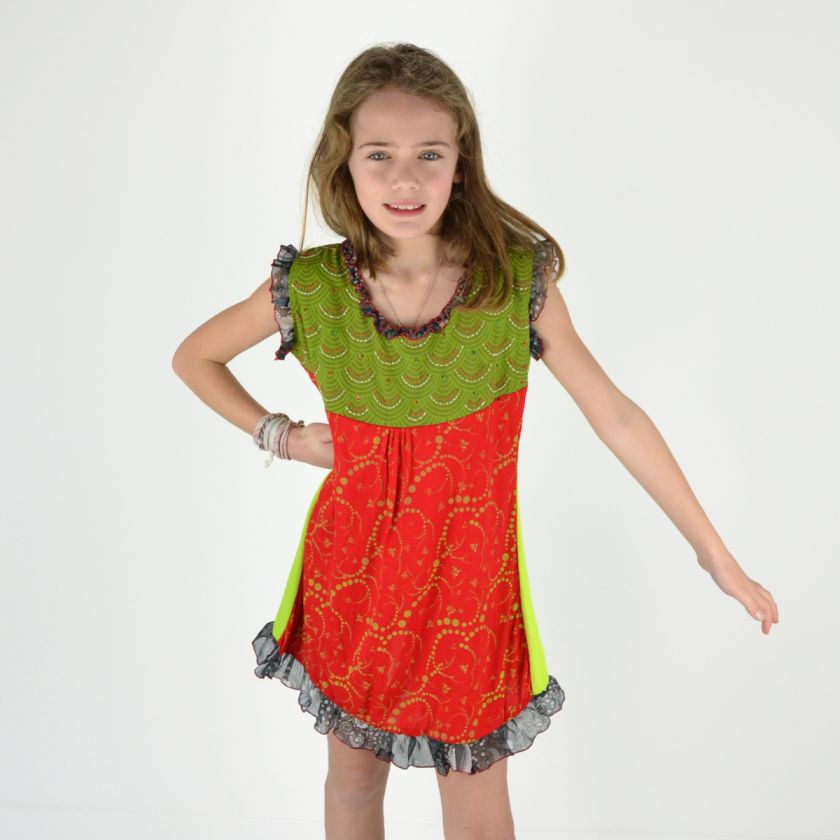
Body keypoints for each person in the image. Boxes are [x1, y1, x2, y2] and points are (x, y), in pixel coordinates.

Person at [172, 42, 779, 840]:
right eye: (379, 154)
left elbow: (616, 414)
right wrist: (283, 437)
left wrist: (714, 554)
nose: (405, 179)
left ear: (461, 164)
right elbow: (195, 357)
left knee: (479, 805)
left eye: (430, 154)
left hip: (471, 582)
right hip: (353, 569)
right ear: (344, 162)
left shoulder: (513, 283)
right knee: (353, 778)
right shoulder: (311, 288)